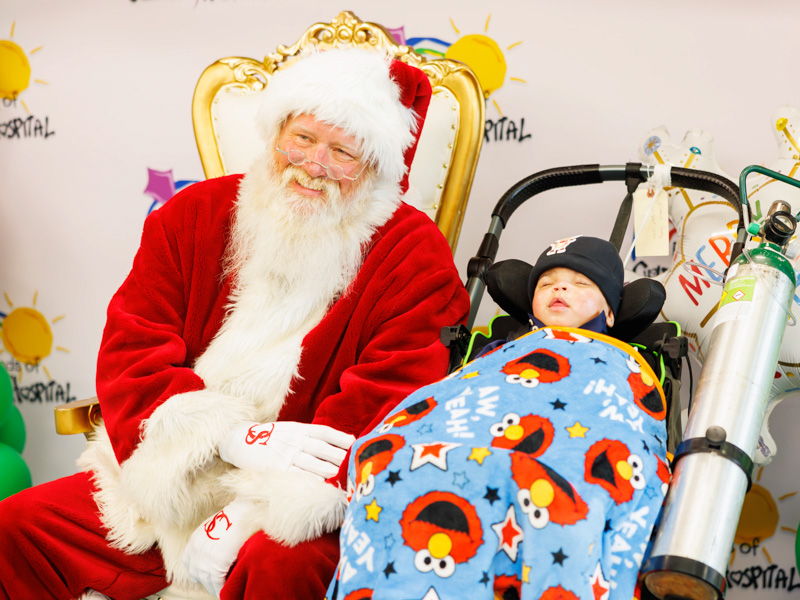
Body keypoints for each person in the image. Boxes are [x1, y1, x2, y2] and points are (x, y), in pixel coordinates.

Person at [0, 48, 469, 600]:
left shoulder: (415, 256)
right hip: (173, 473)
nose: (313, 164)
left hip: (301, 491)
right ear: (276, 135)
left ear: (375, 168)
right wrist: (233, 437)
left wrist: (252, 510)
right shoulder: (192, 213)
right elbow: (133, 352)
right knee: (17, 527)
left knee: (281, 564)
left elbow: (391, 404)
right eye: (302, 138)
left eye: (342, 151)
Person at [328, 236, 670, 600]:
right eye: (546, 283)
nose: (560, 288)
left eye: (581, 283)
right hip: (461, 448)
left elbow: (623, 426)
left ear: (611, 313)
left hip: (560, 461)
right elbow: (454, 399)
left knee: (565, 493)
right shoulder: (500, 352)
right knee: (386, 456)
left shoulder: (622, 362)